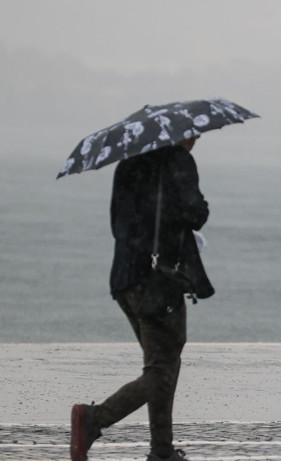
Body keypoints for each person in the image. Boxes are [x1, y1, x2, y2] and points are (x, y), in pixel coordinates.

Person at [70, 137, 213, 461]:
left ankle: (162, 450)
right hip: (158, 281)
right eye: (192, 132)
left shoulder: (128, 164)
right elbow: (195, 213)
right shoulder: (177, 161)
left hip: (124, 277)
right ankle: (94, 418)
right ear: (176, 134)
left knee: (161, 364)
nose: (196, 138)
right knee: (163, 369)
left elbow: (117, 224)